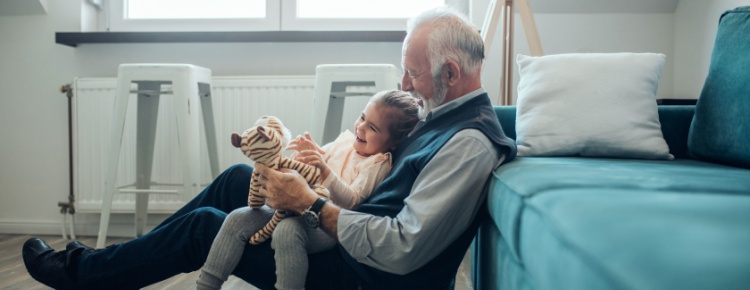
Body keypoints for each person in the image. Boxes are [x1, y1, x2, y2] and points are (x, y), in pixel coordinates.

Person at [22, 6, 517, 290]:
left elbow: (403, 248)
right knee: (237, 181)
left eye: (411, 72)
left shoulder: (468, 144)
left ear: (450, 73)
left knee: (205, 229)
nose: (404, 82)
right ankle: (111, 261)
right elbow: (374, 164)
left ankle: (84, 275)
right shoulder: (441, 113)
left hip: (361, 275)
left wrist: (310, 203)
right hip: (347, 245)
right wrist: (312, 168)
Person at [197, 90, 420, 290]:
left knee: (287, 231)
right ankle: (207, 284)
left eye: (372, 128)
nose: (360, 127)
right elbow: (316, 164)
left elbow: (352, 200)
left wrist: (323, 168)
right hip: (297, 206)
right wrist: (311, 152)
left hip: (327, 225)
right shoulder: (346, 142)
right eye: (362, 117)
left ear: (393, 142)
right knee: (238, 218)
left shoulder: (378, 163)